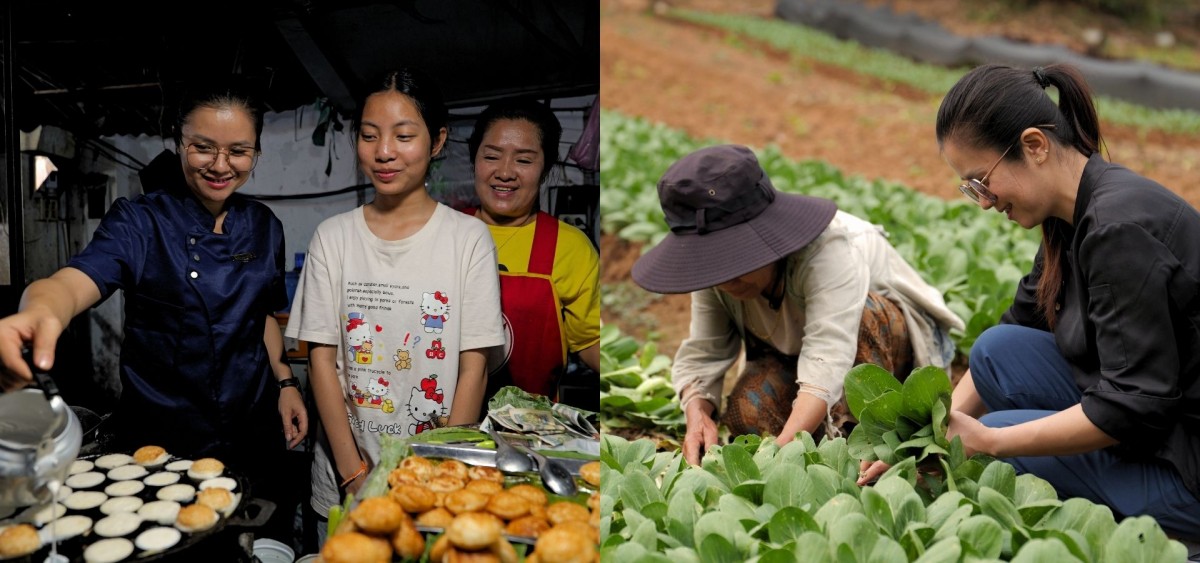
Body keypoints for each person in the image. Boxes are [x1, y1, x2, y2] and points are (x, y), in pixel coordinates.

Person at [875, 62, 1200, 539]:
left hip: (1186, 464)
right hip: (1158, 423)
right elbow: (1022, 324)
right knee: (998, 348)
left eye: (981, 181)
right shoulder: (1070, 214)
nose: (983, 202)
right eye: (971, 190)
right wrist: (929, 439)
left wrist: (990, 440)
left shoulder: (1118, 229)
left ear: (1034, 145)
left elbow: (1133, 403)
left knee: (1009, 438)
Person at [0, 79, 307, 541]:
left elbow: (261, 313)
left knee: (256, 542)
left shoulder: (264, 227)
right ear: (178, 142)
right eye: (203, 147)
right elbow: (73, 281)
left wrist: (285, 382)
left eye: (239, 151)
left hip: (252, 429)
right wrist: (41, 309)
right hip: (164, 439)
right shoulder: (139, 222)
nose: (221, 165)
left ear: (256, 152)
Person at [631, 144, 965, 466]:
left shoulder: (829, 247)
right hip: (796, 355)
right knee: (748, 412)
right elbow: (706, 350)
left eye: (734, 257)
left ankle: (868, 441)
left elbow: (829, 350)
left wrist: (783, 449)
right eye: (715, 262)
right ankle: (823, 445)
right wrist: (698, 414)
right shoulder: (716, 276)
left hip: (891, 357)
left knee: (867, 316)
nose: (726, 277)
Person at [285, 68, 505, 543]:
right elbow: (321, 361)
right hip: (344, 479)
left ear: (437, 140)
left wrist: (438, 474)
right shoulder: (334, 238)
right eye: (369, 135)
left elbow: (474, 368)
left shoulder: (468, 240)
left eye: (403, 136)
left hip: (436, 482)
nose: (384, 152)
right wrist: (353, 475)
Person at [462, 97, 601, 401]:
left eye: (523, 160)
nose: (505, 172)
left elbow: (592, 342)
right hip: (443, 421)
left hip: (532, 432)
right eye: (492, 156)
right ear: (474, 160)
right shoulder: (443, 232)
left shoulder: (569, 247)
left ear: (545, 168)